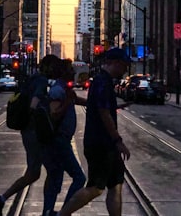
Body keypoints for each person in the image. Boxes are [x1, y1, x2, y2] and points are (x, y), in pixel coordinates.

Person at [56, 47, 131, 216]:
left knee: (116, 184)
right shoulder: (103, 82)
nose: (125, 69)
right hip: (101, 144)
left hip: (104, 144)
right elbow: (104, 113)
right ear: (116, 63)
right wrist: (118, 141)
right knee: (96, 188)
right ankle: (62, 214)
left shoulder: (101, 81)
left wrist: (115, 106)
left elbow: (98, 107)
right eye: (124, 65)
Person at [0, 55, 56, 216]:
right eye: (53, 66)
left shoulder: (31, 79)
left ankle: (1, 199)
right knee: (50, 171)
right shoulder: (41, 80)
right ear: (47, 66)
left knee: (34, 173)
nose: (54, 70)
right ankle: (47, 210)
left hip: (28, 130)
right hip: (34, 132)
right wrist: (37, 117)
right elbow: (35, 100)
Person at [43, 58, 86, 216]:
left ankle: (48, 212)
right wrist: (68, 101)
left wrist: (104, 105)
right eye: (70, 70)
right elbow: (54, 113)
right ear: (63, 72)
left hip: (61, 140)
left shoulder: (65, 90)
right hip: (59, 141)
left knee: (55, 178)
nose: (74, 73)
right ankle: (64, 212)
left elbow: (80, 101)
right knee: (79, 177)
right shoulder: (58, 90)